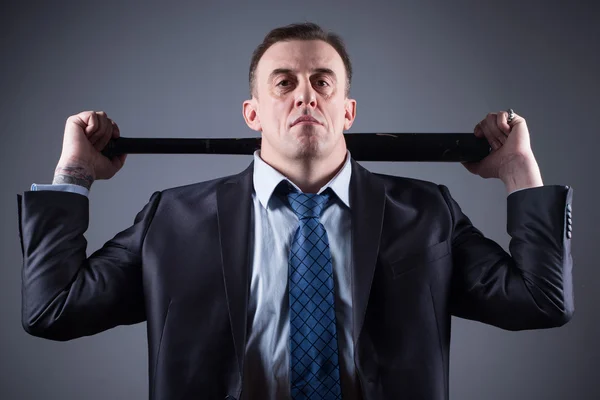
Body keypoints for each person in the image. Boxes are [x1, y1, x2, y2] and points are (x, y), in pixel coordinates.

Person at [17, 22, 574, 400]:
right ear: (252, 111)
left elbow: (541, 301)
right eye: (283, 82)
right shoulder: (174, 220)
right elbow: (54, 311)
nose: (304, 95)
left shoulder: (425, 211)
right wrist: (75, 173)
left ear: (348, 110)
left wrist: (518, 171)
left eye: (322, 83)